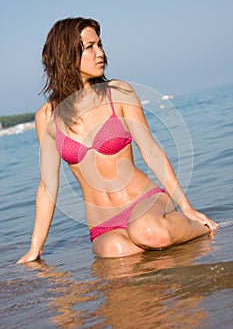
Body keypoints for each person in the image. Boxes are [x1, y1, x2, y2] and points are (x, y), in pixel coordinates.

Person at [17, 17, 218, 264]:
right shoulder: (47, 117)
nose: (100, 53)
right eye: (89, 47)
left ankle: (206, 229)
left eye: (100, 44)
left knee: (147, 231)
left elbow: (150, 150)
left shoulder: (118, 93)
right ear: (66, 55)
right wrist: (35, 249)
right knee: (119, 253)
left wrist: (185, 207)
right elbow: (47, 186)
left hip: (145, 204)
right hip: (103, 224)